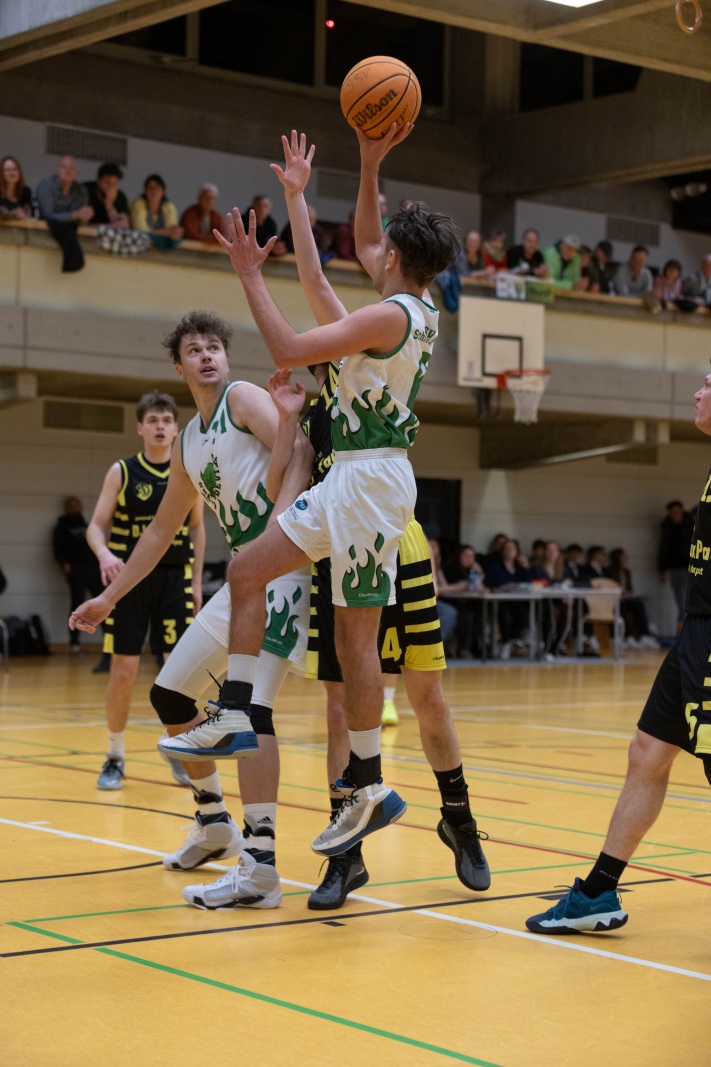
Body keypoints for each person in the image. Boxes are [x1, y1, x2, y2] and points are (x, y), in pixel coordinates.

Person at [159, 124, 462, 866]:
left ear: (394, 260)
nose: (372, 249)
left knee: (336, 630)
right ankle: (287, 739)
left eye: (381, 247)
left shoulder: (390, 315)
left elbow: (290, 347)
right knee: (264, 582)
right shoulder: (410, 307)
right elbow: (326, 276)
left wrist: (249, 277)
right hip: (359, 480)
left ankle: (345, 770)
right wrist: (344, 175)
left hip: (367, 481)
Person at [70, 309, 313, 908]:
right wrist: (108, 597)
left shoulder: (244, 398)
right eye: (194, 350)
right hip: (244, 578)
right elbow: (159, 532)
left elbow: (302, 453)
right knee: (172, 696)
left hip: (283, 568)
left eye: (214, 347)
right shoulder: (187, 443)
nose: (207, 356)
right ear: (180, 368)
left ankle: (260, 867)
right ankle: (213, 824)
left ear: (226, 358)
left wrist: (275, 539)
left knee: (250, 713)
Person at [293, 355, 488, 907]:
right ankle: (346, 854)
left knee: (427, 697)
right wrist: (286, 421)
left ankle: (459, 820)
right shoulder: (307, 419)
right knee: (339, 710)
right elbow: (287, 489)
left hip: (399, 549)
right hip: (332, 557)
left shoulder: (373, 390)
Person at [526, 368, 711, 935]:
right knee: (647, 753)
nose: (698, 392)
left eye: (709, 383)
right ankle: (599, 892)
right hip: (694, 635)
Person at [86, 391, 206, 790]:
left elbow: (196, 528)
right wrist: (103, 553)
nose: (159, 426)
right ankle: (115, 756)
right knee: (124, 672)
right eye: (152, 420)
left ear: (176, 429)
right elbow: (96, 526)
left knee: (179, 674)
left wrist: (195, 582)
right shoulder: (122, 471)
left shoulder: (186, 471)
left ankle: (178, 747)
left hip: (174, 580)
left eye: (166, 421)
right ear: (140, 427)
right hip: (129, 582)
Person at [52, 496, 108, 670]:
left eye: (76, 504)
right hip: (76, 570)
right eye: (70, 505)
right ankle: (74, 643)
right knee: (77, 605)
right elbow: (58, 548)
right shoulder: (62, 526)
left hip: (93, 570)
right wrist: (64, 564)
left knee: (103, 604)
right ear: (66, 508)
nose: (74, 507)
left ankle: (109, 642)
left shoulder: (87, 524)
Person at [35, 155, 93, 272]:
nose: (68, 171)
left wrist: (85, 217)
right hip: (48, 226)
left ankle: (72, 261)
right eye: (64, 167)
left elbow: (79, 219)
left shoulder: (81, 191)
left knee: (69, 226)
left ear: (76, 172)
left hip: (70, 227)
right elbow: (48, 215)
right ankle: (73, 261)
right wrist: (75, 215)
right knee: (59, 224)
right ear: (58, 169)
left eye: (71, 168)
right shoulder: (46, 186)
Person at [484, 538, 531, 659]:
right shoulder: (495, 567)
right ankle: (506, 641)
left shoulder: (520, 568)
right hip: (500, 601)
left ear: (517, 551)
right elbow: (488, 584)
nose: (510, 551)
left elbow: (529, 584)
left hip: (517, 600)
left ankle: (515, 640)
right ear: (503, 551)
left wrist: (526, 567)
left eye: (512, 548)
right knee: (504, 614)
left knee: (523, 613)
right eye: (507, 548)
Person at [606, 548, 659, 649]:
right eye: (623, 555)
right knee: (622, 608)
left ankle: (645, 634)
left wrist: (628, 594)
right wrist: (619, 594)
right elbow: (609, 587)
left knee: (639, 604)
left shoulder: (626, 571)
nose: (626, 557)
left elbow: (629, 588)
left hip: (625, 598)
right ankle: (627, 635)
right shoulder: (609, 571)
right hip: (614, 600)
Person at [442, 543, 484, 658]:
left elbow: (480, 588)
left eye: (471, 556)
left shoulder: (472, 571)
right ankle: (463, 648)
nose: (469, 559)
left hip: (468, 602)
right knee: (466, 616)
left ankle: (475, 647)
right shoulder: (450, 569)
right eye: (466, 556)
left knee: (480, 611)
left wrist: (479, 573)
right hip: (452, 601)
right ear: (459, 556)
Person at [658, 499, 695, 628]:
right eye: (673, 513)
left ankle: (684, 629)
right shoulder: (667, 527)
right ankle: (681, 628)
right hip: (673, 568)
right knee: (679, 600)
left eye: (678, 512)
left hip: (687, 567)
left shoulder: (691, 526)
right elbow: (663, 548)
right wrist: (661, 569)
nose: (675, 515)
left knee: (684, 599)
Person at [130, 174, 183, 249]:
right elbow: (141, 231)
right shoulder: (138, 204)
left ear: (163, 192)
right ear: (145, 191)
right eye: (151, 188)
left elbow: (172, 232)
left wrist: (170, 232)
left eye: (157, 188)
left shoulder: (169, 208)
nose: (154, 191)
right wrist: (166, 232)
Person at [83, 163, 130, 228]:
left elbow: (124, 224)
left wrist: (109, 205)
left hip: (107, 232)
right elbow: (78, 221)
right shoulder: (84, 191)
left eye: (114, 184)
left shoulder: (121, 197)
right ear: (99, 180)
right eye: (107, 182)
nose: (110, 187)